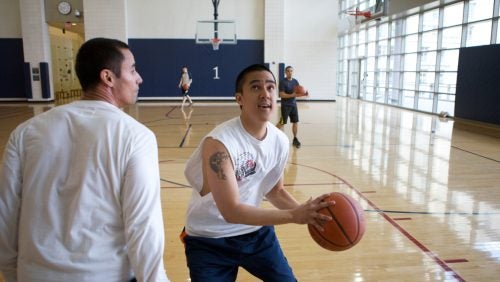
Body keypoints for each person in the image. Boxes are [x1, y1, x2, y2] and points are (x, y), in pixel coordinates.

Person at [0, 38, 169, 282]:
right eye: (132, 70)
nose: (138, 78)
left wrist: (14, 274)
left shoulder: (26, 132)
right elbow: (143, 226)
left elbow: (5, 216)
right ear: (108, 78)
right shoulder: (136, 136)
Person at [182, 64, 334, 282]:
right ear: (239, 98)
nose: (265, 93)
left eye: (271, 87)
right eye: (255, 87)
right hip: (209, 239)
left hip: (254, 232)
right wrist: (294, 216)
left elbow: (275, 191)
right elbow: (231, 211)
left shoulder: (280, 140)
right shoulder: (219, 144)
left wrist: (308, 214)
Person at [276, 65, 307, 148]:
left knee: (295, 122)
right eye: (288, 71)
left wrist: (304, 94)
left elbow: (297, 93)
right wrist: (292, 95)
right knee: (282, 122)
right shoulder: (282, 82)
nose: (290, 72)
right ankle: (272, 135)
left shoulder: (295, 81)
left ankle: (295, 139)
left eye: (291, 71)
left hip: (293, 105)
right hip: (285, 106)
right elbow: (282, 95)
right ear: (285, 72)